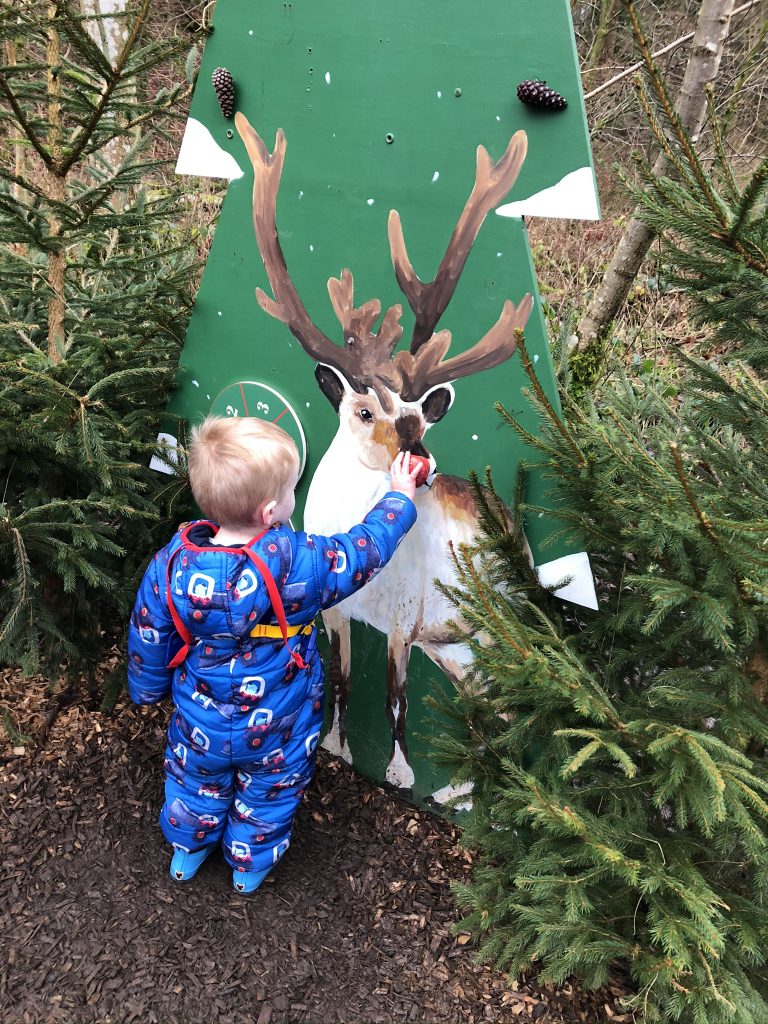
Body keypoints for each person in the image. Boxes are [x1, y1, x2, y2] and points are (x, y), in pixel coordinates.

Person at [127, 415, 420, 893]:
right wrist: (399, 497)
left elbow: (148, 635)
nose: (293, 498)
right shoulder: (299, 564)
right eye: (289, 490)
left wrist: (147, 691)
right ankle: (248, 865)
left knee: (193, 782)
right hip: (278, 722)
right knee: (269, 793)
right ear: (270, 512)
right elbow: (363, 551)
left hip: (199, 720)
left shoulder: (172, 566)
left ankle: (188, 846)